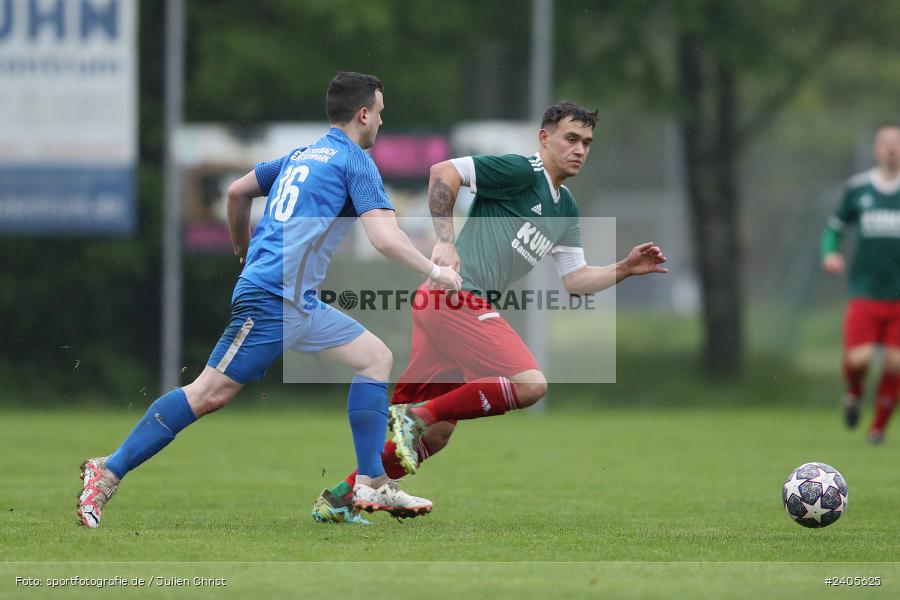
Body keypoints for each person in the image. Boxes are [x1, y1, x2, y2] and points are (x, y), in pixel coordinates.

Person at [76, 72, 462, 528]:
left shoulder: (302, 155)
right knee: (208, 392)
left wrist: (243, 249)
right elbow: (384, 238)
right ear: (363, 114)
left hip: (298, 302)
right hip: (273, 299)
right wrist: (436, 271)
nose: (381, 120)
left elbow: (237, 192)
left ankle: (371, 483)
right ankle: (108, 470)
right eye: (379, 112)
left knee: (375, 357)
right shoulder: (354, 161)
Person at [311, 101, 667, 523]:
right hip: (456, 296)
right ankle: (416, 417)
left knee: (437, 435)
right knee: (530, 385)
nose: (579, 150)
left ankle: (341, 497)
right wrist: (445, 240)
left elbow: (575, 280)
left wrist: (623, 269)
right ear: (544, 138)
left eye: (587, 143)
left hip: (442, 304)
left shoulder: (565, 206)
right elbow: (443, 171)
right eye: (571, 139)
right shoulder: (523, 172)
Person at [822, 122, 900, 445]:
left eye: (897, 142)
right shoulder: (859, 188)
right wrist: (830, 253)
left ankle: (877, 429)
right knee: (860, 359)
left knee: (896, 363)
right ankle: (853, 394)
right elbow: (835, 227)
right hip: (865, 290)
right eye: (886, 142)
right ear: (876, 148)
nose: (892, 148)